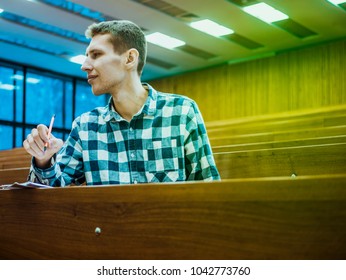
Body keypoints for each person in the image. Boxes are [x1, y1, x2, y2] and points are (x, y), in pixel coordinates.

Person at [23, 20, 220, 186]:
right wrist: (43, 160)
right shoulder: (85, 126)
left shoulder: (181, 112)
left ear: (130, 58)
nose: (84, 66)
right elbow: (54, 190)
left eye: (96, 55)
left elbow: (208, 187)